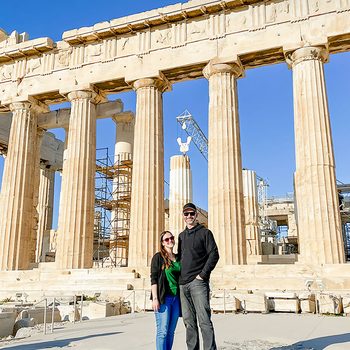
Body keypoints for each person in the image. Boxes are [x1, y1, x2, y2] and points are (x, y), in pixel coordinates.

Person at [178, 202, 219, 350]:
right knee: (189, 323)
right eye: (186, 214)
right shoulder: (181, 236)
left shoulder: (205, 233)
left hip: (198, 283)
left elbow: (214, 254)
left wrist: (202, 275)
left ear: (196, 215)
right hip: (183, 284)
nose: (189, 216)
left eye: (191, 213)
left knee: (204, 321)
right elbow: (181, 258)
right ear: (183, 216)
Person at [150, 231, 181, 350]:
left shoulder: (178, 257)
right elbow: (153, 278)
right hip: (163, 298)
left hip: (176, 298)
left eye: (171, 238)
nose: (170, 241)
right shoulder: (158, 257)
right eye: (166, 240)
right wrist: (155, 298)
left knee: (171, 331)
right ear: (162, 243)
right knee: (162, 331)